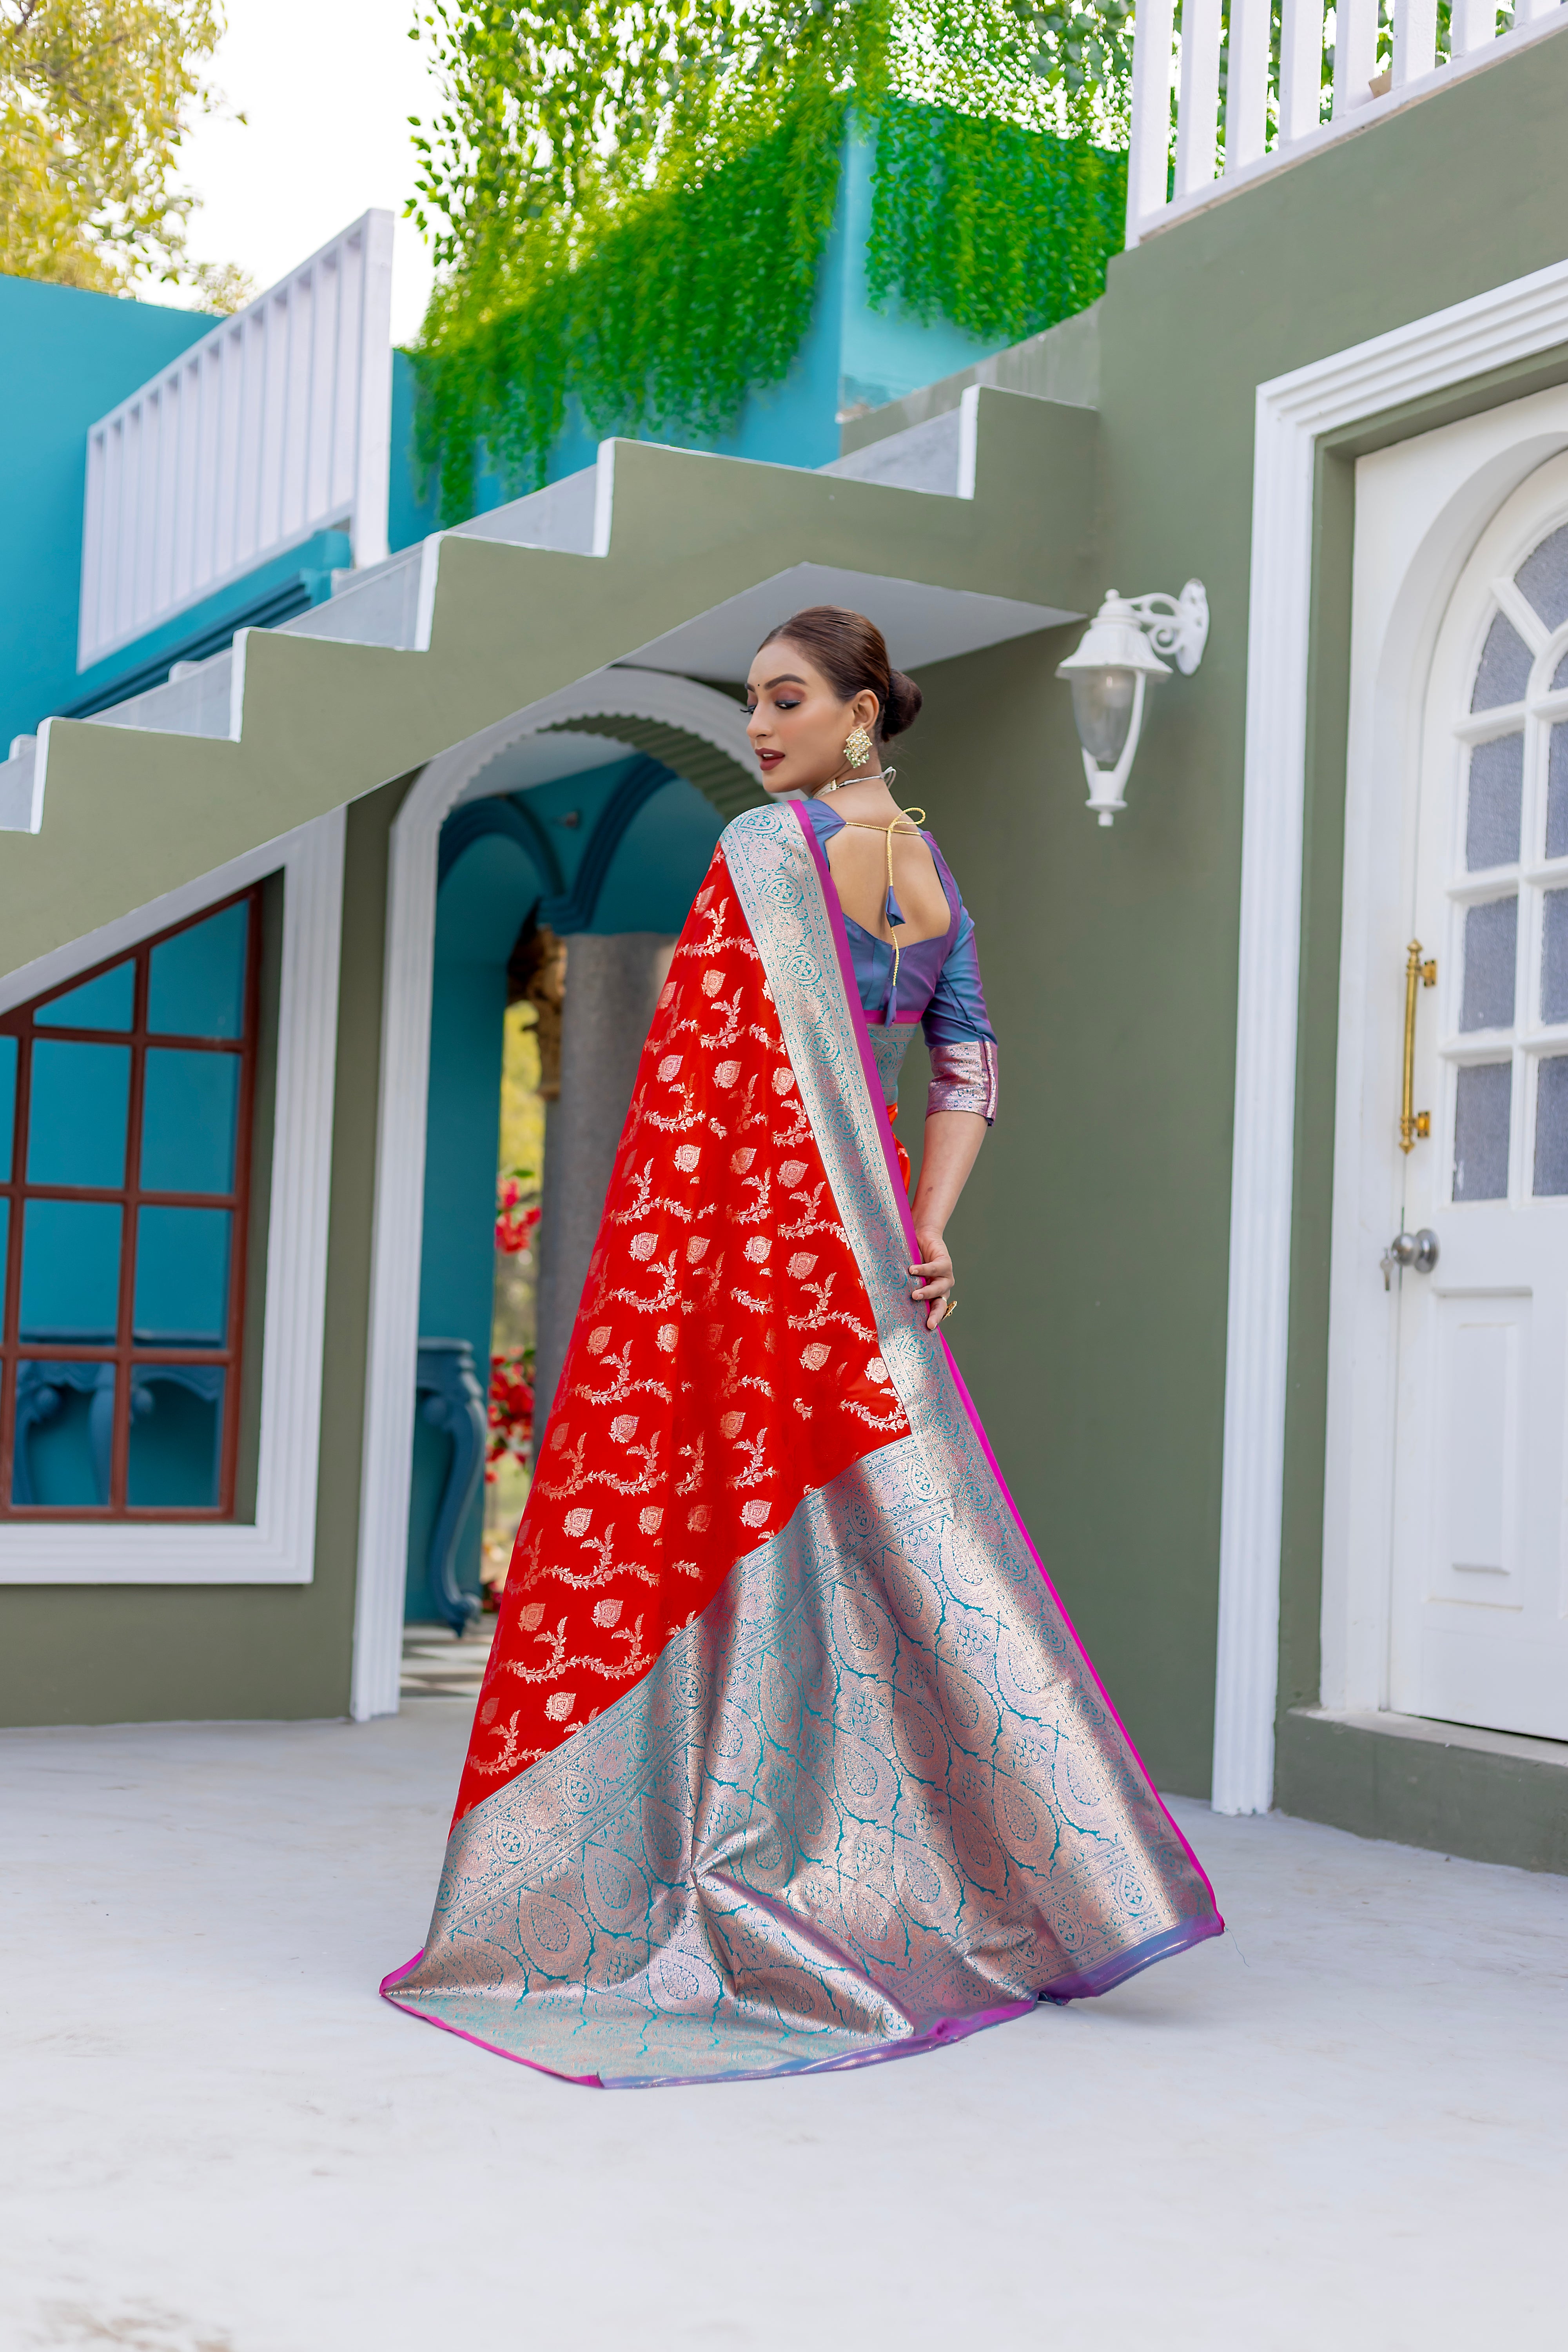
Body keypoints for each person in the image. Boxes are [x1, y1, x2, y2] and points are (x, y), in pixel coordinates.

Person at [382, 605, 1221, 2087]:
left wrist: (726, 1268)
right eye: (751, 703)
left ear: (860, 714)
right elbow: (967, 1063)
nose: (761, 727)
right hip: (874, 1269)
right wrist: (930, 1225)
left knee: (781, 1563)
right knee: (916, 1569)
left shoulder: (761, 860)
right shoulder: (930, 872)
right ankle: (1032, 1886)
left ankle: (743, 1868)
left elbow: (702, 1106)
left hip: (766, 1279)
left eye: (785, 701)